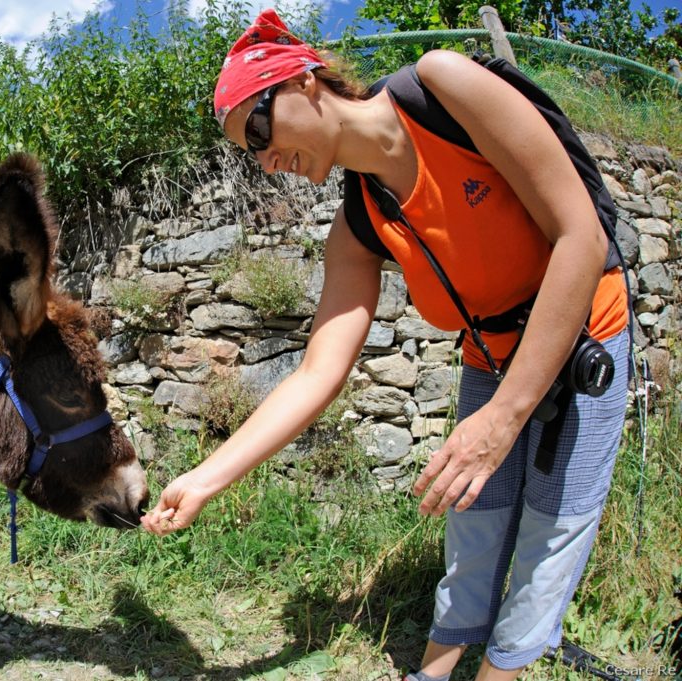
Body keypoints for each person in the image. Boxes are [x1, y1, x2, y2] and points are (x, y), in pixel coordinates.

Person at [140, 9, 629, 681]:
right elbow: (315, 373)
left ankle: (503, 670)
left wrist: (506, 415)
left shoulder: (442, 87)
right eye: (249, 150)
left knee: (552, 529)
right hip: (491, 353)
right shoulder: (359, 224)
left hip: (582, 330)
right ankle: (434, 670)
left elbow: (581, 234)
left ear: (306, 81)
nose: (265, 156)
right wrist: (204, 478)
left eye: (259, 125)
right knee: (475, 523)